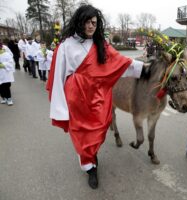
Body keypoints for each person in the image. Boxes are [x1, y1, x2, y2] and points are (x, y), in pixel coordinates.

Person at [46, 4, 150, 189]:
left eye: (94, 22)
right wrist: (60, 106)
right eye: (87, 22)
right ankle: (90, 168)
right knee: (81, 135)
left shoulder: (101, 44)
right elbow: (59, 76)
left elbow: (121, 62)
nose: (91, 26)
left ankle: (92, 155)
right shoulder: (65, 46)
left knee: (98, 130)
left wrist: (144, 69)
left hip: (99, 97)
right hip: (76, 99)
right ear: (79, 22)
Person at [0, 40, 15, 106]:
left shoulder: (6, 54)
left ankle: (9, 98)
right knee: (0, 86)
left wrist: (3, 64)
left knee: (6, 85)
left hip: (5, 72)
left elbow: (10, 62)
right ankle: (3, 97)